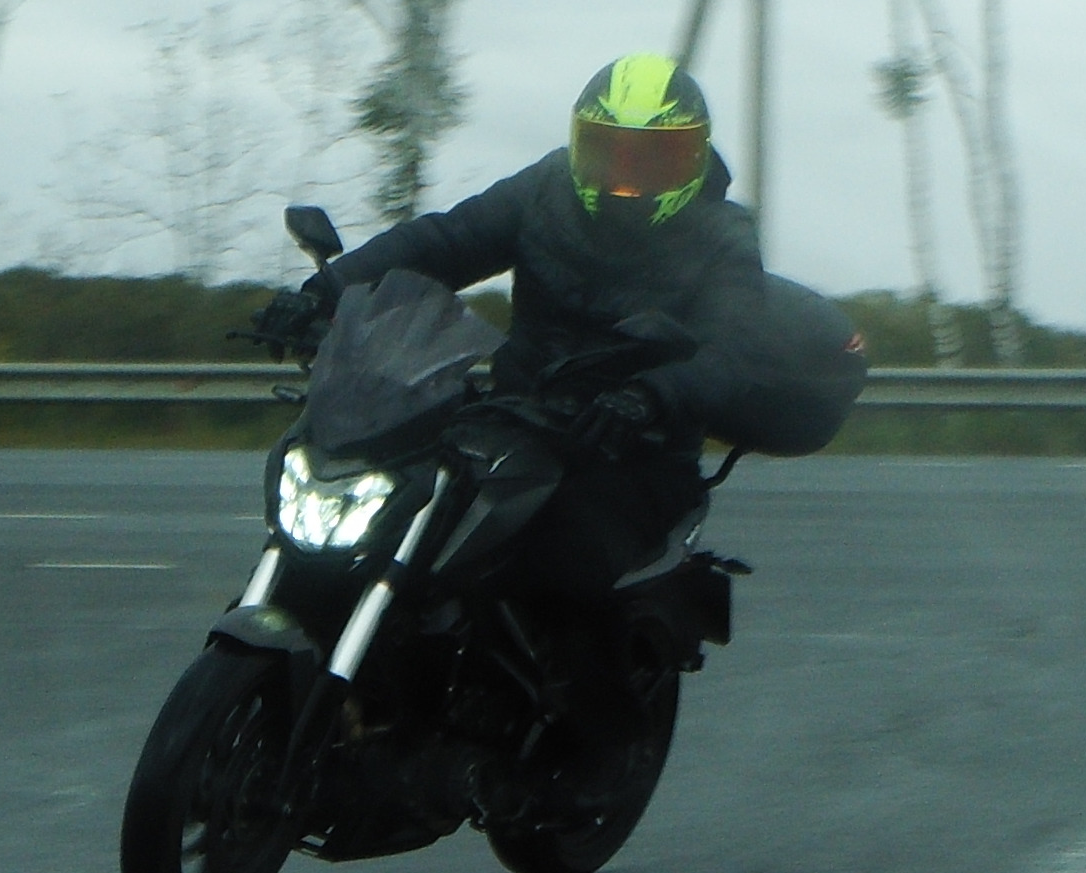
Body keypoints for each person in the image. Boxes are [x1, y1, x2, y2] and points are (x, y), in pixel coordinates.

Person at [261, 56, 770, 598]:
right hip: (515, 421)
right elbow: (444, 241)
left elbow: (737, 347)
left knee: (560, 565)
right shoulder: (545, 191)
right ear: (581, 143)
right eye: (610, 151)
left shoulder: (722, 235)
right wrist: (326, 291)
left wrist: (652, 396)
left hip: (634, 449)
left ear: (693, 157)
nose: (628, 175)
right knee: (405, 513)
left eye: (653, 158)